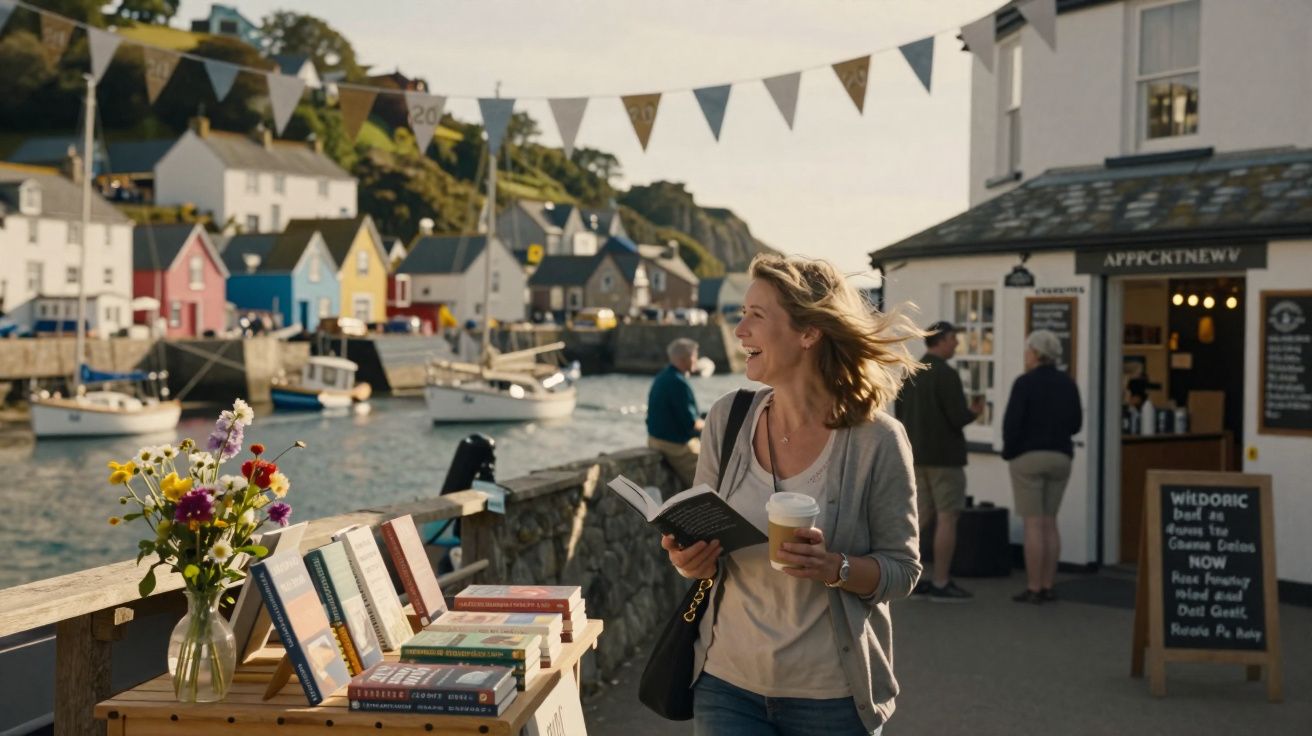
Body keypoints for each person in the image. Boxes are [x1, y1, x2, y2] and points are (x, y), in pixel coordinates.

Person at [662, 254, 922, 736]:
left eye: (756, 316)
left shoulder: (877, 440)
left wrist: (835, 567)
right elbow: (702, 546)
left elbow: (902, 571)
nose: (739, 330)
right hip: (725, 683)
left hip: (832, 698)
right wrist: (688, 560)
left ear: (808, 333)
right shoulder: (726, 419)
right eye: (742, 314)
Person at [894, 321, 982, 602]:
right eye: (953, 338)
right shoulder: (946, 374)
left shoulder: (911, 371)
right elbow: (956, 417)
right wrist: (974, 412)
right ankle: (941, 581)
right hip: (945, 458)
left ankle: (909, 578)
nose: (956, 343)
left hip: (915, 456)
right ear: (941, 340)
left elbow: (900, 414)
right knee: (947, 517)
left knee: (920, 518)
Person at [1002, 330, 1083, 604]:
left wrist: (1010, 453)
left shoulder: (1024, 383)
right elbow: (1076, 424)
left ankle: (1034, 587)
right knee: (1050, 522)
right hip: (1060, 456)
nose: (1026, 354)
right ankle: (1049, 584)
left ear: (1036, 353)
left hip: (1028, 457)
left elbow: (1012, 424)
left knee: (1033, 524)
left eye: (1028, 350)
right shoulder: (1068, 383)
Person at [647, 338, 705, 489]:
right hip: (673, 445)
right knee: (711, 477)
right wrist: (711, 424)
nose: (696, 360)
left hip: (654, 439)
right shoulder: (679, 383)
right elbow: (691, 424)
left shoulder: (662, 376)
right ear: (685, 359)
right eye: (695, 356)